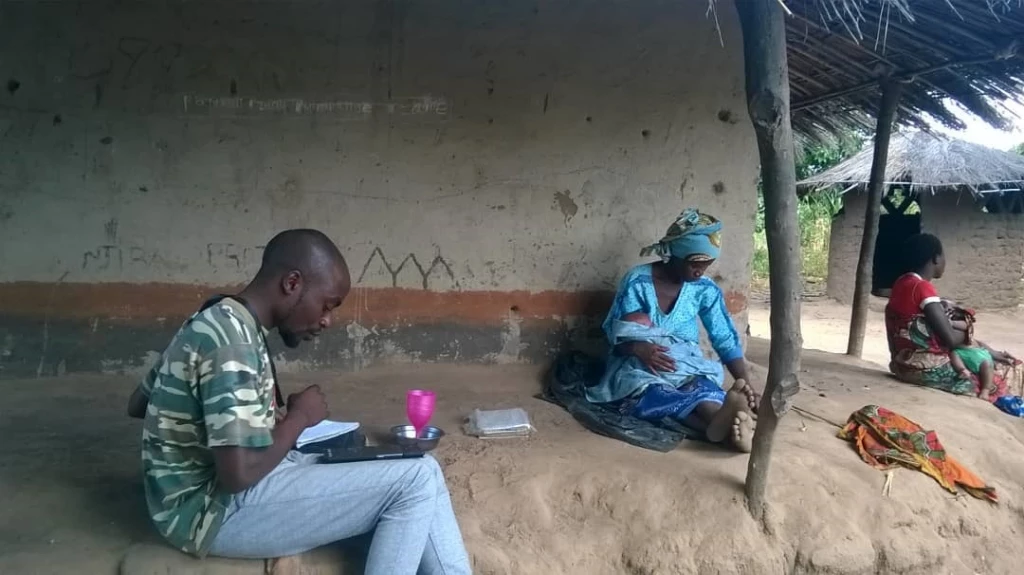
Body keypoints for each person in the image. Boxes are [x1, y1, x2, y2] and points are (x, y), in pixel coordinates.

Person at [125, 229, 471, 575]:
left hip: (198, 496)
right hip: (211, 512)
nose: (326, 320)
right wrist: (299, 418)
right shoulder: (234, 346)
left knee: (423, 468)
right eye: (327, 304)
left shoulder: (214, 317)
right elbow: (238, 475)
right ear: (292, 283)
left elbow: (139, 403)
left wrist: (212, 418)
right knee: (414, 481)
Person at [586, 208, 759, 452]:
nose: (701, 272)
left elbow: (724, 338)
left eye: (706, 265)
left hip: (684, 364)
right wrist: (638, 348)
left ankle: (723, 419)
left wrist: (746, 383)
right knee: (652, 392)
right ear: (674, 255)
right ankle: (725, 427)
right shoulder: (637, 281)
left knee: (700, 385)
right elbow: (617, 332)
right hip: (640, 365)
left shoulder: (704, 289)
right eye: (695, 265)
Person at [885, 233, 1022, 403]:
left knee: (984, 356)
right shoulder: (923, 288)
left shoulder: (901, 283)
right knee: (1008, 370)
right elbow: (950, 339)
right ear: (935, 258)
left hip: (900, 365)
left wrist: (985, 348)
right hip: (926, 369)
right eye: (943, 256)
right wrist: (968, 329)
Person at [940, 300, 997, 400]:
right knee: (953, 355)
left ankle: (985, 390)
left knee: (986, 366)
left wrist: (950, 323)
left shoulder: (964, 323)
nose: (947, 309)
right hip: (961, 352)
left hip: (977, 354)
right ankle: (963, 370)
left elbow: (965, 325)